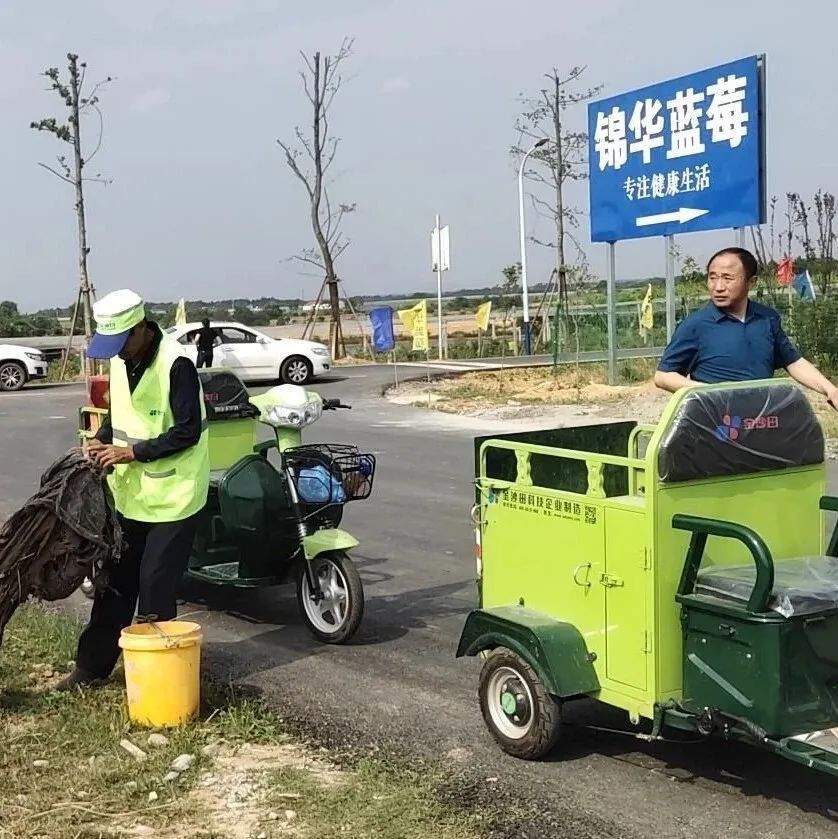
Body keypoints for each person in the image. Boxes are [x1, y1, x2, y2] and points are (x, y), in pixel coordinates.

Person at [58, 289, 210, 690]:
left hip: (174, 499)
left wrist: (132, 452)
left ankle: (157, 683)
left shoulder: (176, 363)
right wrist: (100, 438)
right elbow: (117, 415)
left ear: (142, 328)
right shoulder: (122, 361)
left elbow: (188, 431)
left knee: (155, 591)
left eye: (123, 341)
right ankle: (89, 670)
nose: (119, 352)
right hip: (132, 498)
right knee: (113, 586)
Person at [654, 246, 838, 407]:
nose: (718, 287)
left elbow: (793, 362)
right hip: (716, 421)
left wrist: (830, 390)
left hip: (761, 417)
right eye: (712, 278)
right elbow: (663, 376)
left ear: (751, 282)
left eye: (727, 278)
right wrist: (714, 393)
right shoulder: (696, 324)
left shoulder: (767, 318)